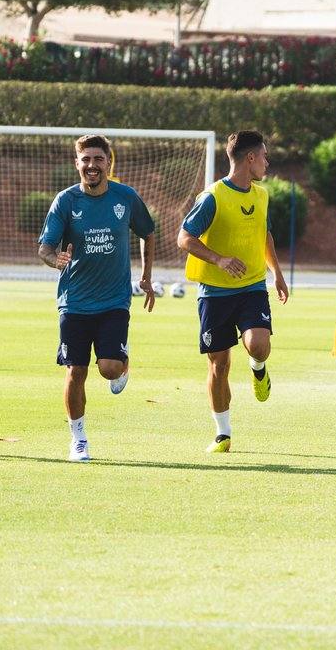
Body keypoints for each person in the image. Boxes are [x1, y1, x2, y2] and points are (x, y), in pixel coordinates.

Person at [38, 134, 157, 462]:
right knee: (76, 371)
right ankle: (78, 440)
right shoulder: (65, 201)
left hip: (114, 299)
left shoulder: (126, 198)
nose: (92, 165)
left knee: (108, 369)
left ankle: (122, 359)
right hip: (74, 301)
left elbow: (147, 231)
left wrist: (146, 276)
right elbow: (45, 248)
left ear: (109, 163)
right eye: (86, 160)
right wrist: (56, 260)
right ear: (77, 164)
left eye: (98, 160)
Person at [177, 131, 290, 454]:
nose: (267, 163)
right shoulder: (212, 197)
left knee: (259, 346)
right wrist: (219, 259)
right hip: (214, 293)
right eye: (264, 157)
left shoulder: (262, 195)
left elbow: (264, 235)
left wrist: (277, 273)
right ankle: (223, 433)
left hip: (252, 286)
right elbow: (184, 238)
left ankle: (258, 368)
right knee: (219, 365)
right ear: (250, 159)